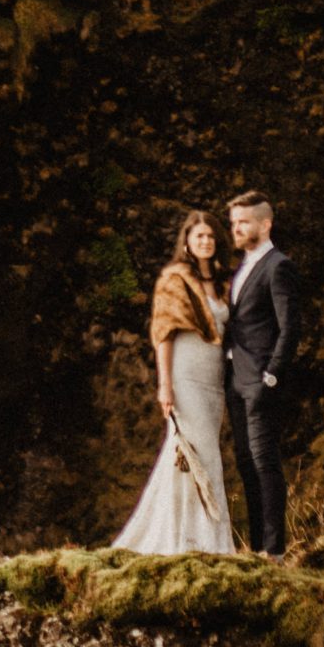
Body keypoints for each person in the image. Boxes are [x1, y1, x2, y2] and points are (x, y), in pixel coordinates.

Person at [113, 210, 236, 555]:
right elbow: (163, 335)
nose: (205, 242)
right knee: (197, 453)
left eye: (210, 237)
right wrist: (164, 385)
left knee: (190, 456)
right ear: (187, 241)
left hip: (213, 379)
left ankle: (195, 538)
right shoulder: (174, 279)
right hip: (185, 374)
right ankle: (197, 542)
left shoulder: (223, 282)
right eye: (199, 236)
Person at [224, 190, 300, 558]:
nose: (236, 229)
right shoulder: (243, 267)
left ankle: (274, 551)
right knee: (244, 464)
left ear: (265, 224)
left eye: (243, 222)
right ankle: (255, 548)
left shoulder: (278, 265)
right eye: (234, 223)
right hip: (235, 380)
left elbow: (290, 327)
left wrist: (272, 374)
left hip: (260, 380)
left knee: (264, 461)